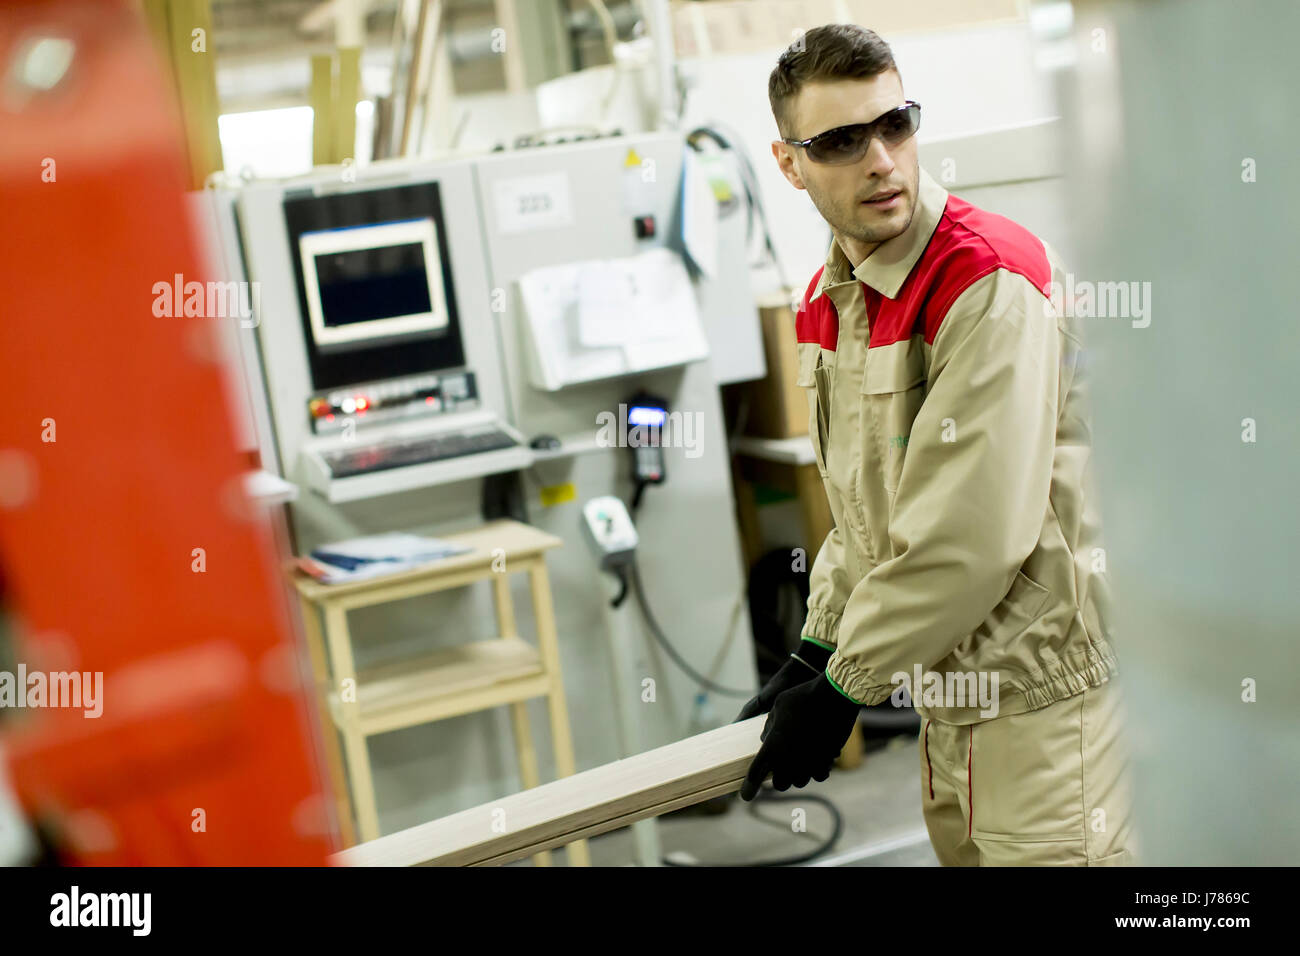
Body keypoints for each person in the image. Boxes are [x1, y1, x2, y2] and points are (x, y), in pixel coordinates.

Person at [735, 23, 1136, 866]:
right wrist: (817, 644)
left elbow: (970, 537)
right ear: (789, 162)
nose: (881, 159)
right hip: (946, 703)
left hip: (1043, 708)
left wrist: (847, 683)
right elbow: (864, 512)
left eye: (896, 124)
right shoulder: (831, 296)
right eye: (842, 140)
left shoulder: (985, 281)